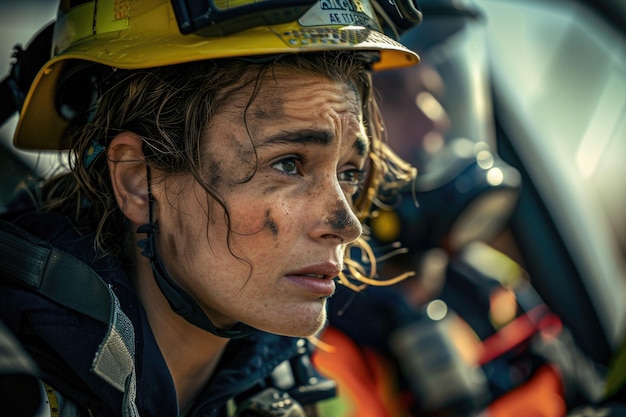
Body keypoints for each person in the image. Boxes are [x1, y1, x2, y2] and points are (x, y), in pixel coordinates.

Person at [0, 1, 422, 416]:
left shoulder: (293, 383)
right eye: (288, 164)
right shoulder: (14, 385)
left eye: (349, 172)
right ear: (137, 181)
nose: (346, 224)